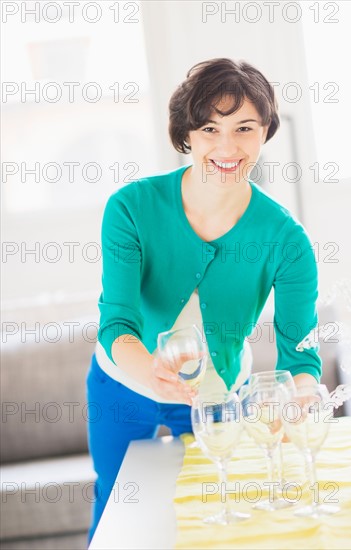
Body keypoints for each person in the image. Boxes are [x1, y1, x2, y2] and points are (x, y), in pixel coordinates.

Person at [86, 57, 322, 542]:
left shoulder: (288, 240)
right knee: (117, 504)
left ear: (265, 132)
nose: (227, 146)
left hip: (219, 395)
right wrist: (151, 372)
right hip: (123, 385)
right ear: (186, 134)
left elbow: (301, 354)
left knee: (218, 510)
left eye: (244, 128)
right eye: (210, 128)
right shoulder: (130, 208)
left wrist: (299, 400)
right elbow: (117, 325)